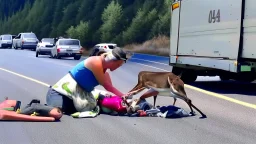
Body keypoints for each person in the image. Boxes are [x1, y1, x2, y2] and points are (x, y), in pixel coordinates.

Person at [46, 47, 132, 116]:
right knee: (57, 111)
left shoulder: (105, 72)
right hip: (60, 93)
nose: (118, 67)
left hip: (78, 97)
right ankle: (35, 107)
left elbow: (109, 87)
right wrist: (122, 96)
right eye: (118, 64)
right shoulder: (96, 62)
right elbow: (106, 84)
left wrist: (124, 96)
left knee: (79, 109)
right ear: (113, 61)